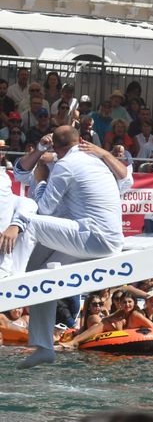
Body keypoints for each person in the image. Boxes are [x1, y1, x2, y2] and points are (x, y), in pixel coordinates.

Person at [4, 126, 123, 368]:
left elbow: (44, 208)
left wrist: (40, 180)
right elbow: (124, 179)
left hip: (94, 237)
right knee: (43, 273)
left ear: (55, 148)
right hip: (100, 237)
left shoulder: (66, 166)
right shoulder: (93, 160)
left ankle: (9, 280)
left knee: (31, 224)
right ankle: (44, 346)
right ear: (80, 141)